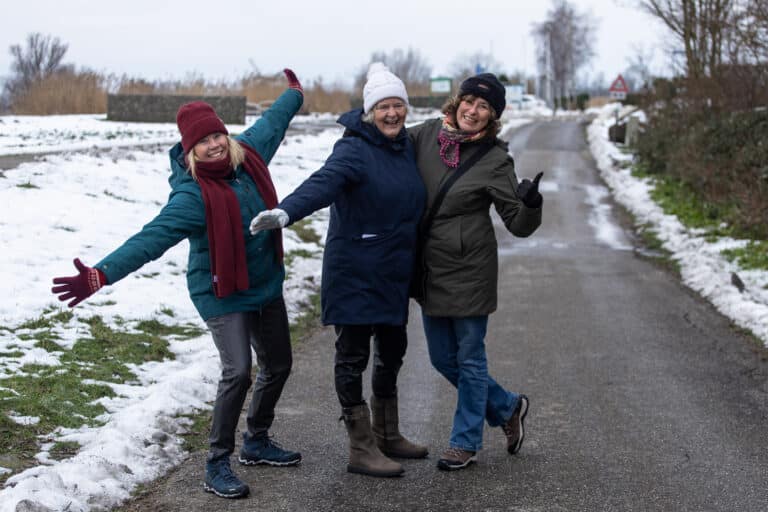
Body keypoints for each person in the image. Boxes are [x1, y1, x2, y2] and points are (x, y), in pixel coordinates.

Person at [51, 70, 304, 499]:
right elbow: (149, 240)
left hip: (263, 282)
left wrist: (293, 95)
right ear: (190, 151)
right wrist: (101, 274)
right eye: (202, 142)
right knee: (238, 371)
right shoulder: (192, 197)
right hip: (221, 291)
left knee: (278, 364)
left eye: (216, 135)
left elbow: (272, 122)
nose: (214, 144)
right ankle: (216, 463)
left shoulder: (248, 157)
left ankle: (256, 440)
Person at [249, 62, 427, 478]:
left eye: (398, 105)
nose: (392, 114)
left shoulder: (404, 147)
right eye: (383, 106)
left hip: (391, 273)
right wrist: (286, 212)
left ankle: (387, 432)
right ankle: (361, 448)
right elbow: (323, 182)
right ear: (369, 111)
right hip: (355, 271)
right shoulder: (354, 149)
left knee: (393, 352)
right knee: (353, 357)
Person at [408, 72, 543, 471]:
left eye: (484, 107)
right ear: (458, 101)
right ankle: (506, 406)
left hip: (470, 269)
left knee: (469, 359)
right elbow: (385, 146)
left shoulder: (494, 159)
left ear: (492, 117)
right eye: (470, 101)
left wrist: (530, 203)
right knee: (440, 358)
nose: (473, 110)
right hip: (431, 268)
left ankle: (463, 443)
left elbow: (517, 224)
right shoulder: (424, 136)